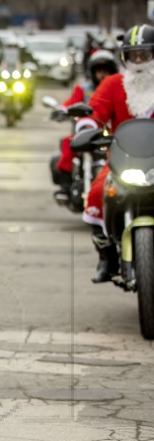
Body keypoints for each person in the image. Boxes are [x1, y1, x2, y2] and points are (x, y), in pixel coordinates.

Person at [76, 24, 154, 282]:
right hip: (123, 158)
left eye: (145, 54)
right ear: (125, 57)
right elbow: (95, 111)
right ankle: (107, 255)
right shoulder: (112, 84)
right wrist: (87, 128)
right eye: (134, 55)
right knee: (97, 192)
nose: (139, 61)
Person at [52, 50, 119, 199]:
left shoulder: (118, 87)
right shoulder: (83, 89)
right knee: (69, 144)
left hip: (113, 134)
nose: (103, 75)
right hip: (88, 133)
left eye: (106, 71)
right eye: (99, 71)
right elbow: (71, 103)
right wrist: (62, 110)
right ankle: (65, 186)